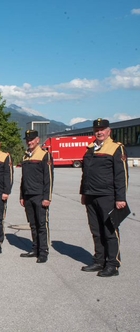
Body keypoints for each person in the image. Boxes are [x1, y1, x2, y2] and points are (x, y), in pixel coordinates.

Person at [80, 118, 128, 277]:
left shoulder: (115, 148)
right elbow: (85, 173)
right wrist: (84, 193)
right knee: (96, 230)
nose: (99, 132)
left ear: (109, 131)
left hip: (107, 196)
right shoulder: (90, 148)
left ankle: (113, 264)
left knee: (109, 230)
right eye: (96, 130)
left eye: (102, 129)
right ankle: (99, 260)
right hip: (91, 196)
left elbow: (122, 175)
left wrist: (120, 198)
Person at [19, 130, 54, 263]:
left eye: (32, 139)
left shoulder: (45, 155)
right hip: (28, 196)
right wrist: (22, 195)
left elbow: (49, 178)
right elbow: (24, 178)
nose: (30, 142)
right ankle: (35, 249)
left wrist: (47, 197)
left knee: (42, 224)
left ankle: (43, 251)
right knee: (33, 225)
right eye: (28, 140)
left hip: (40, 196)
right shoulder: (26, 156)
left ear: (38, 140)